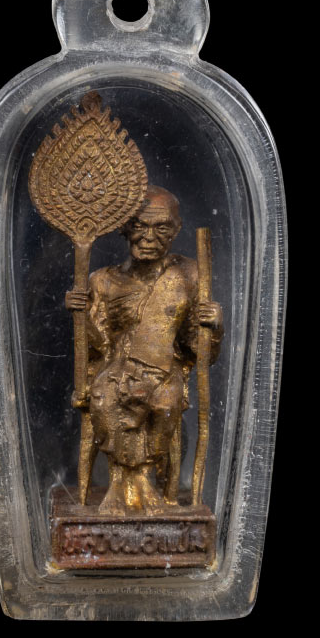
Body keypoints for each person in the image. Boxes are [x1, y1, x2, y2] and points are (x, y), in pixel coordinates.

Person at [65, 185, 223, 514]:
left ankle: (144, 480)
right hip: (115, 369)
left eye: (161, 227)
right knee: (105, 399)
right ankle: (119, 484)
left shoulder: (188, 276)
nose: (149, 237)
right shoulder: (103, 281)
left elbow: (197, 350)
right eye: (139, 226)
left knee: (165, 403)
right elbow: (98, 346)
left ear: (176, 229)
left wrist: (214, 326)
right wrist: (81, 316)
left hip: (164, 370)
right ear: (124, 228)